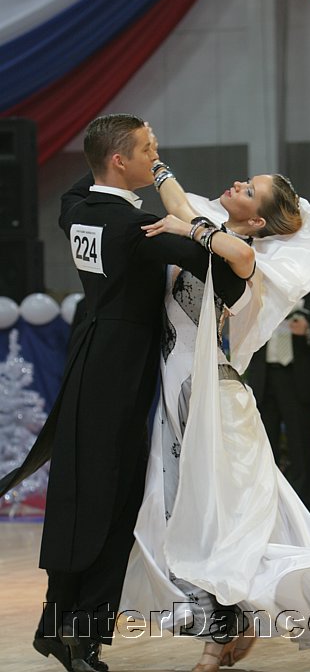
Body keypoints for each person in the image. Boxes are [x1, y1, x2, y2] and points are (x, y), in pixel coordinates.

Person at [0, 114, 252, 672]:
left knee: (81, 496)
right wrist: (193, 222)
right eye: (148, 150)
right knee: (111, 503)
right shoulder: (139, 229)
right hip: (121, 372)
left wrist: (129, 151)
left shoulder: (77, 209)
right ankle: (79, 634)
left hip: (87, 359)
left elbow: (85, 179)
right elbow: (230, 272)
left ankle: (59, 627)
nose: (157, 158)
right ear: (120, 161)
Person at [120, 163, 310, 672]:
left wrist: (188, 229)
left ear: (257, 221)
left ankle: (220, 635)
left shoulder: (241, 254)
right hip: (179, 396)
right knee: (189, 516)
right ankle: (229, 621)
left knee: (223, 519)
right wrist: (156, 165)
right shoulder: (209, 232)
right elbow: (178, 204)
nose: (238, 184)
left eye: (249, 190)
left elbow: (235, 253)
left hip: (214, 401)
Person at [246, 280, 310, 514]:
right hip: (265, 374)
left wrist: (309, 329)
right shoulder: (262, 278)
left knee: (301, 442)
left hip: (298, 375)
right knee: (265, 443)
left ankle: (304, 505)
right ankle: (267, 504)